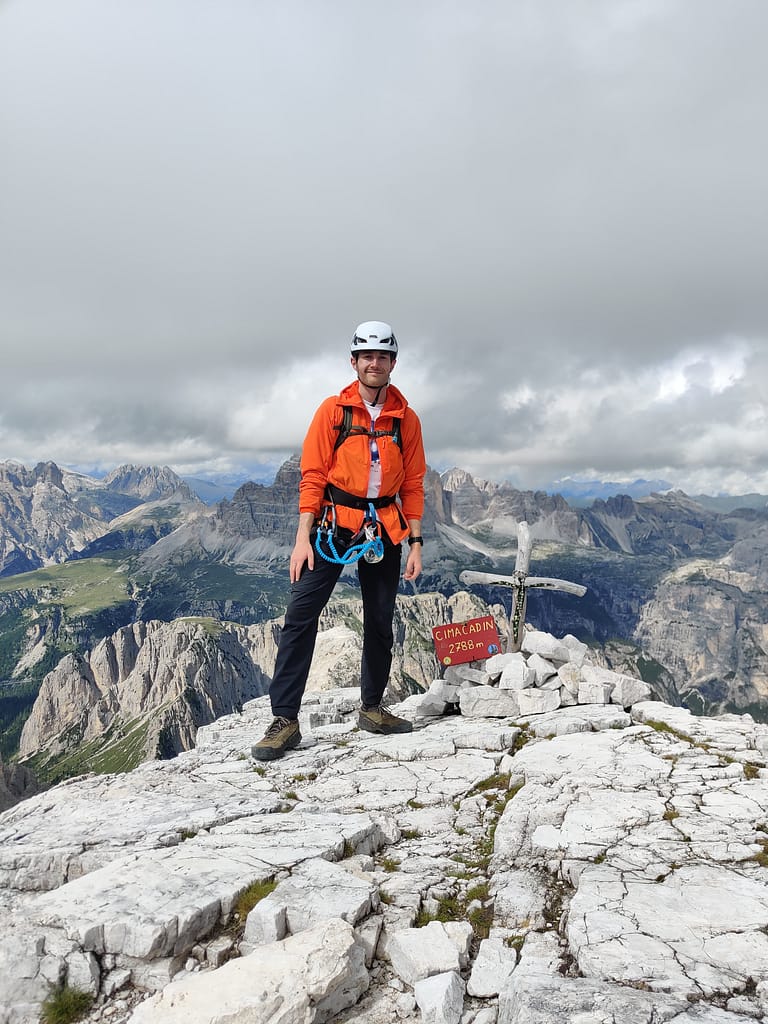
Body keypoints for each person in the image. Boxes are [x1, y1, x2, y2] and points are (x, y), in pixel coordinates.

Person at [251, 321, 427, 761]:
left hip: (384, 526)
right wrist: (301, 538)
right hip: (334, 524)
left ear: (392, 363)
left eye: (382, 356)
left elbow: (414, 483)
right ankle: (285, 720)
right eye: (366, 355)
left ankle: (372, 708)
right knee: (300, 615)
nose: (374, 362)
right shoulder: (333, 411)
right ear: (354, 362)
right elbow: (312, 476)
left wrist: (416, 541)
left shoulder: (406, 419)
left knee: (380, 620)